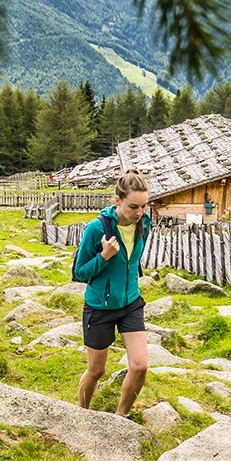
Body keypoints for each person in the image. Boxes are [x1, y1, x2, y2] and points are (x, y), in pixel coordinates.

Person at [72, 169, 153, 417]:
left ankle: (120, 417)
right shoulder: (97, 229)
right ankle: (81, 414)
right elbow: (79, 272)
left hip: (130, 302)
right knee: (96, 371)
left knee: (140, 366)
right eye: (133, 207)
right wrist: (104, 257)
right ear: (117, 200)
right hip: (99, 308)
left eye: (144, 207)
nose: (139, 213)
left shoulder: (144, 224)